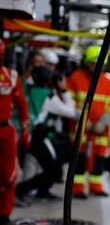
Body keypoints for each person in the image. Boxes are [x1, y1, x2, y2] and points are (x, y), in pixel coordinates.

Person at [67, 44, 110, 198]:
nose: (95, 66)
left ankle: (96, 186)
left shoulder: (106, 81)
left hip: (100, 130)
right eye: (92, 63)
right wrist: (83, 120)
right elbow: (68, 102)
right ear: (86, 62)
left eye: (98, 63)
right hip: (80, 129)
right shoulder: (75, 78)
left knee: (99, 160)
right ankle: (77, 188)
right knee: (79, 158)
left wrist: (103, 122)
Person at [17, 66, 76, 202]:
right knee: (55, 171)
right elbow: (70, 112)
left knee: (57, 158)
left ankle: (41, 191)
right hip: (37, 136)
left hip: (25, 133)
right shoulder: (48, 96)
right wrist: (64, 90)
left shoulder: (28, 89)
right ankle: (20, 190)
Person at [0, 40, 31, 225]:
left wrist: (25, 129)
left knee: (8, 174)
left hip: (6, 132)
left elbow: (22, 106)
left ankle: (3, 215)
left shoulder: (11, 76)